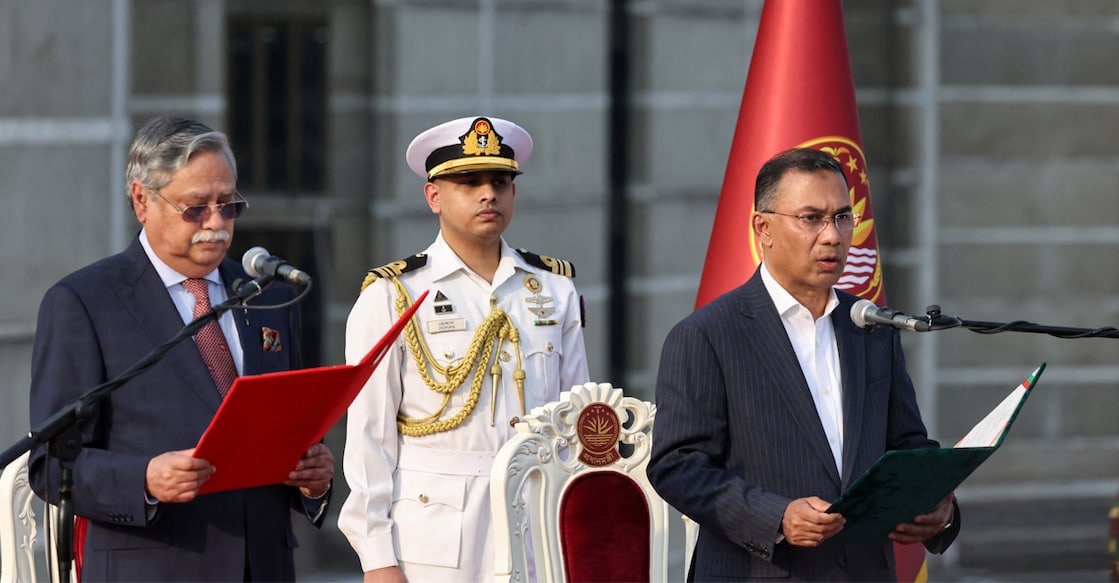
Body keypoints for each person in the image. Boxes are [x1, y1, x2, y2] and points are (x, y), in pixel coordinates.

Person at [28, 115, 334, 581]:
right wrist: (144, 480)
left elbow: (282, 430)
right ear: (141, 201)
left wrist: (312, 479)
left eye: (228, 205)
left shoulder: (267, 296)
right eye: (195, 208)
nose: (216, 223)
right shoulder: (85, 303)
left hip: (264, 566)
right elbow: (51, 465)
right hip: (154, 565)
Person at [646, 147, 960, 581]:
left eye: (842, 218)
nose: (832, 236)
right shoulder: (707, 335)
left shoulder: (871, 327)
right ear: (764, 228)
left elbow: (905, 443)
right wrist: (776, 516)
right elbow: (676, 466)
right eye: (811, 218)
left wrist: (938, 503)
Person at [339, 115, 590, 581]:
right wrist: (376, 558)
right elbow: (369, 436)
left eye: (500, 181)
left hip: (536, 522)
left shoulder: (554, 290)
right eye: (468, 182)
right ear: (434, 196)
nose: (488, 193)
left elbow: (572, 424)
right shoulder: (393, 294)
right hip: (433, 533)